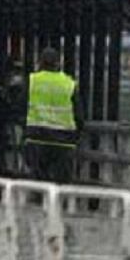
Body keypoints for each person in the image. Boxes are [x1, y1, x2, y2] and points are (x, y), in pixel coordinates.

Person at [23, 47, 83, 183]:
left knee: (38, 184)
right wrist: (76, 135)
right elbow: (79, 115)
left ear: (40, 63)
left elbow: (21, 107)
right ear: (58, 63)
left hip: (37, 139)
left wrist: (25, 129)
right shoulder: (69, 83)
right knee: (61, 185)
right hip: (64, 141)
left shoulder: (32, 81)